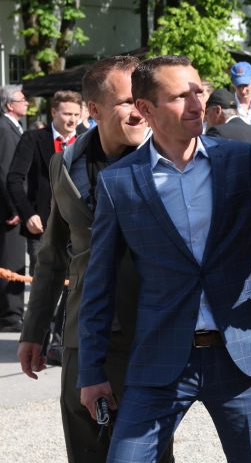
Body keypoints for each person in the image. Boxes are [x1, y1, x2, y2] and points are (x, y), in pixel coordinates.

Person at [77, 55, 251, 462]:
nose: (197, 103)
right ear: (145, 109)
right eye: (180, 96)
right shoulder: (119, 183)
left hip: (241, 361)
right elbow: (99, 285)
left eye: (198, 91)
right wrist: (91, 373)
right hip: (161, 361)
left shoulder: (237, 161)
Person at [16, 56, 175, 463]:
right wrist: (34, 332)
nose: (140, 110)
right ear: (95, 110)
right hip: (81, 338)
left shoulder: (170, 163)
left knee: (147, 454)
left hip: (145, 336)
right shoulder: (63, 165)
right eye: (127, 101)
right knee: (86, 451)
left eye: (144, 99)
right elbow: (52, 256)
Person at [204, 87, 251, 291]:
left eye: (206, 114)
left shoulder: (217, 132)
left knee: (233, 281)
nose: (205, 120)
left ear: (217, 111)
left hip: (235, 221)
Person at [7, 90, 81, 277]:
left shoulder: (88, 139)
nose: (72, 120)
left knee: (76, 291)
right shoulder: (32, 138)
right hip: (41, 227)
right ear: (54, 112)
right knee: (43, 291)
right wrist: (28, 214)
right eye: (67, 114)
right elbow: (14, 179)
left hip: (79, 229)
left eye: (76, 114)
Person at [0, 85, 28, 332]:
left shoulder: (11, 128)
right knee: (12, 260)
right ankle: (10, 316)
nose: (27, 103)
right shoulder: (6, 130)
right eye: (22, 100)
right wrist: (14, 207)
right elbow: (6, 172)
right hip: (10, 212)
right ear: (10, 105)